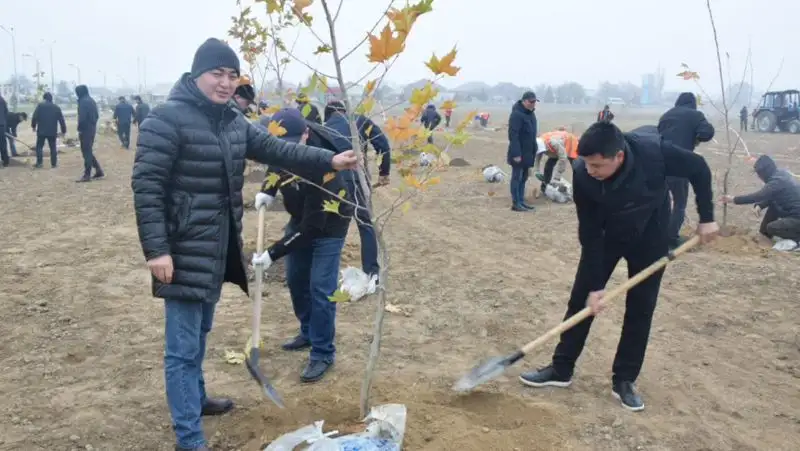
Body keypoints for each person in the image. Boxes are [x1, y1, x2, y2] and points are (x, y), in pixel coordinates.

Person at [131, 37, 357, 451]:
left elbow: (274, 147)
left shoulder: (232, 121)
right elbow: (147, 188)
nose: (225, 82)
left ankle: (196, 400)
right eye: (217, 73)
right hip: (181, 251)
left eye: (232, 75)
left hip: (218, 249)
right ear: (196, 74)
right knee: (181, 349)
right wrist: (156, 250)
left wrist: (329, 159)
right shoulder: (165, 120)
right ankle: (189, 438)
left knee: (200, 333)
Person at [518, 122, 719, 412]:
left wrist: (707, 217)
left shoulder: (655, 154)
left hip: (652, 232)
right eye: (586, 163)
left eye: (597, 165)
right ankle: (561, 369)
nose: (590, 170)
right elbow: (589, 233)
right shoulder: (584, 177)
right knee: (581, 299)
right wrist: (597, 285)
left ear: (619, 156)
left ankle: (624, 380)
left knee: (641, 307)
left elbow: (699, 168)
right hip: (607, 236)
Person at [253, 108, 354, 382]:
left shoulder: (325, 169)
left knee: (321, 288)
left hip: (328, 225)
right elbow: (276, 161)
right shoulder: (282, 149)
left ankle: (322, 352)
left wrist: (272, 253)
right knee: (297, 280)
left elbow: (311, 229)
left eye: (294, 141)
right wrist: (268, 189)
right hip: (302, 219)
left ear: (307, 134)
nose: (286, 148)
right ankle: (308, 332)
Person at [322, 100, 383, 278]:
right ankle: (372, 273)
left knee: (331, 226)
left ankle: (326, 274)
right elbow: (383, 144)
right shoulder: (360, 121)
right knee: (365, 224)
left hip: (332, 182)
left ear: (327, 115)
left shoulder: (323, 129)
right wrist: (384, 172)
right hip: (357, 179)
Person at [657, 92, 715, 250]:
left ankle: (657, 236)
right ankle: (670, 239)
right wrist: (696, 138)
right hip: (680, 164)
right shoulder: (696, 115)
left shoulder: (666, 115)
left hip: (658, 163)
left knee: (661, 203)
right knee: (679, 204)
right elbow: (707, 133)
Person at [721, 155, 800, 242]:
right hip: (791, 212)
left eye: (760, 174)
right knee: (773, 207)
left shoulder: (776, 181)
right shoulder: (781, 174)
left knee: (772, 227)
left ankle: (797, 240)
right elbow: (772, 195)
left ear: (765, 172)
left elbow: (757, 196)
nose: (759, 177)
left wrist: (733, 199)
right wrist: (760, 205)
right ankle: (765, 235)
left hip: (797, 218)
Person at [507, 91, 539, 212]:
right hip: (518, 153)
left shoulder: (531, 114)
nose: (533, 104)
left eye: (535, 101)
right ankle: (516, 203)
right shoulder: (516, 114)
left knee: (524, 177)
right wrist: (516, 154)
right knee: (517, 177)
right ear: (524, 101)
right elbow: (513, 136)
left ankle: (521, 201)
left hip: (528, 152)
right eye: (531, 101)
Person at [75, 84, 104, 182]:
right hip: (91, 128)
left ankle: (87, 175)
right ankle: (98, 170)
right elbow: (96, 116)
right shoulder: (91, 100)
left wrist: (80, 128)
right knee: (88, 151)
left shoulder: (83, 102)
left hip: (85, 129)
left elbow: (82, 118)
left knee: (86, 152)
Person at [31, 92, 67, 168]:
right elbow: (61, 120)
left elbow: (34, 117)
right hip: (52, 131)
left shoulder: (40, 106)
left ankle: (39, 163)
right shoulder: (56, 107)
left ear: (44, 98)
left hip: (41, 131)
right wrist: (63, 131)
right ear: (51, 99)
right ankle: (54, 164)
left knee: (39, 147)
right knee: (53, 147)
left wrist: (33, 126)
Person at [0, 93, 8, 167]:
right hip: (2, 125)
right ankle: (5, 161)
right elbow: (6, 112)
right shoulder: (3, 101)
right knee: (3, 144)